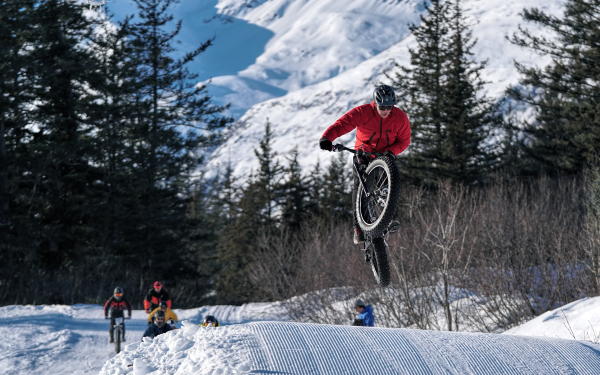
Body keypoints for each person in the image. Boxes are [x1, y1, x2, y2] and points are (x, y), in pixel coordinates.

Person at [319, 84, 411, 244]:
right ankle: (358, 228)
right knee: (361, 188)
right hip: (363, 154)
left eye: (389, 107)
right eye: (382, 107)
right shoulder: (363, 112)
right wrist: (327, 138)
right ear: (376, 103)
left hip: (385, 155)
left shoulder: (400, 117)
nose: (386, 111)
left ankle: (388, 217)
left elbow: (405, 140)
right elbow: (343, 124)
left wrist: (392, 151)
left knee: (390, 183)